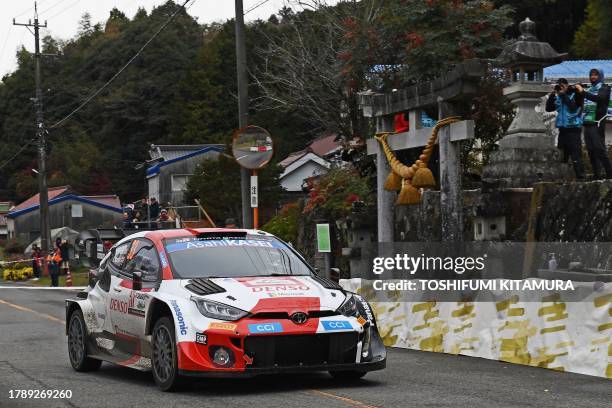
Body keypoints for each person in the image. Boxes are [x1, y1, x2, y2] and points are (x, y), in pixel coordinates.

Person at [575, 68, 612, 179]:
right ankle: (597, 175)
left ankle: (610, 174)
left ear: (600, 76)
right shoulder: (589, 89)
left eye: (596, 75)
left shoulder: (605, 88)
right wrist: (576, 92)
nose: (593, 77)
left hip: (597, 122)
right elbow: (578, 103)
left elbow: (600, 99)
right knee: (591, 150)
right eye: (591, 75)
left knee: (599, 149)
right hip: (587, 122)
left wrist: (583, 92)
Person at [545, 78, 585, 179]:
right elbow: (549, 108)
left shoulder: (575, 94)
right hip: (562, 130)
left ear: (567, 85)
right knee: (562, 155)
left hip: (573, 129)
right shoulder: (558, 96)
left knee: (576, 155)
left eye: (562, 86)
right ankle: (562, 178)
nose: (561, 88)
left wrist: (563, 95)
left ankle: (581, 177)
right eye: (559, 86)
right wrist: (553, 94)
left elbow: (573, 108)